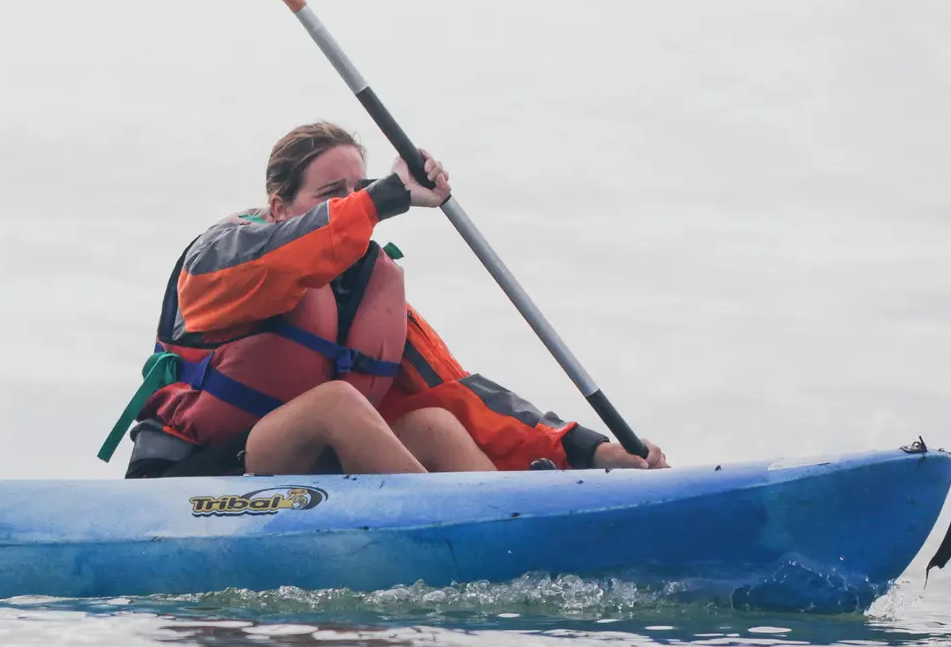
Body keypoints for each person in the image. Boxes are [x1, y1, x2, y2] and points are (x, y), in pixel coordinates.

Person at [107, 120, 665, 478]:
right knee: (336, 402)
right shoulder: (226, 257)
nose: (353, 203)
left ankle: (516, 530)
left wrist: (589, 450)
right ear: (279, 207)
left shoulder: (367, 288)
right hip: (196, 480)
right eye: (332, 194)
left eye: (360, 187)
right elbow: (290, 255)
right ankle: (461, 538)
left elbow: (463, 394)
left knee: (436, 422)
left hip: (300, 485)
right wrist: (386, 195)